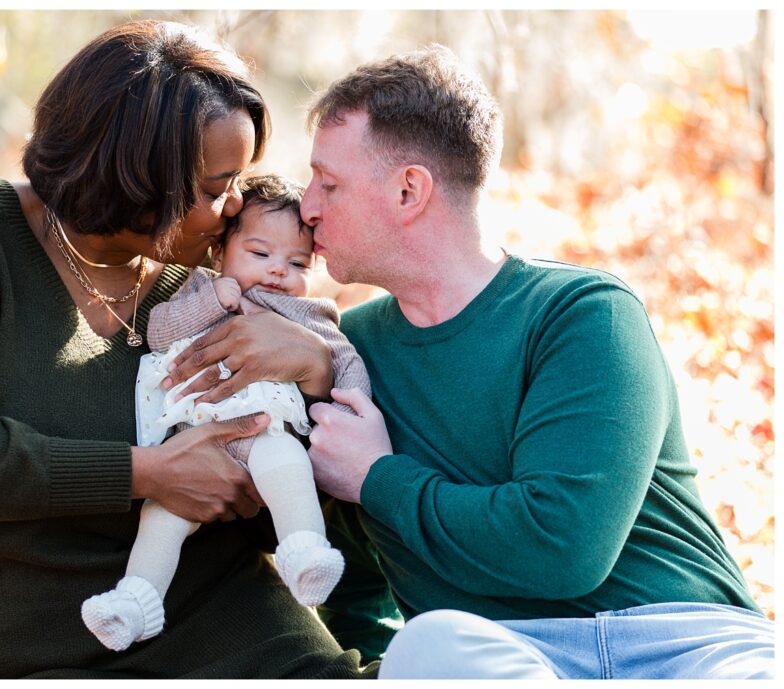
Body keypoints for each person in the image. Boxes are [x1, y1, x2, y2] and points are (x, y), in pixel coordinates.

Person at [0, 20, 369, 679]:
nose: (238, 206)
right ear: (135, 180)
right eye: (216, 189)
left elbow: (280, 517)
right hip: (31, 649)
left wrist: (313, 370)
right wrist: (148, 471)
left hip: (234, 628)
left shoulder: (211, 286)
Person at [297, 45, 774, 679]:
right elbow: (350, 581)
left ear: (410, 190)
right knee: (427, 646)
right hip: (499, 656)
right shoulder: (344, 353)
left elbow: (563, 547)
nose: (307, 206)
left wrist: (376, 476)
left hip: (682, 645)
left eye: (329, 183)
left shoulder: (582, 315)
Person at [81, 174, 369, 651]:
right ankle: (134, 601)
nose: (278, 271)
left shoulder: (309, 313)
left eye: (297, 262)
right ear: (221, 254)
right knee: (161, 517)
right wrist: (214, 300)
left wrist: (354, 403)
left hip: (261, 433)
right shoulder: (199, 287)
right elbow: (160, 331)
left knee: (287, 465)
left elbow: (343, 360)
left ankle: (304, 549)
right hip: (188, 446)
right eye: (260, 254)